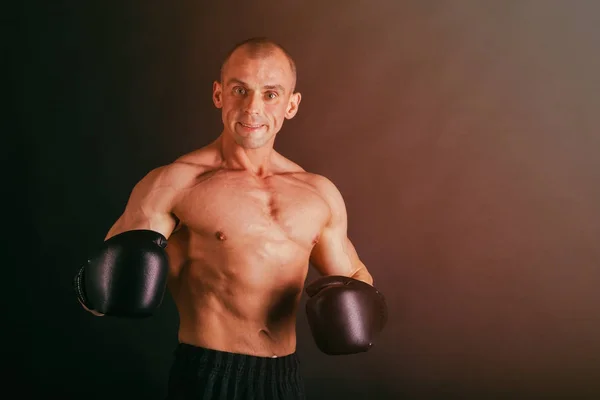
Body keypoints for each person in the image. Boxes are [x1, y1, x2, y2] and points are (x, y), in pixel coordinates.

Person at [73, 37, 387, 400]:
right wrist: (99, 288)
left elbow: (354, 279)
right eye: (241, 90)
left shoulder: (318, 194)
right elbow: (104, 285)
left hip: (285, 382)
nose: (253, 108)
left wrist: (358, 308)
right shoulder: (176, 183)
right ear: (219, 94)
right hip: (208, 378)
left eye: (271, 94)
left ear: (291, 104)